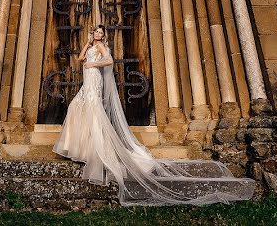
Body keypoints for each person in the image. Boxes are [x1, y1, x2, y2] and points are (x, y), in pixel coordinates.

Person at [52, 25, 256, 206]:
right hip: (87, 82)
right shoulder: (91, 46)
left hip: (94, 81)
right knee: (77, 109)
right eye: (95, 32)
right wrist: (87, 45)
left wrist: (93, 65)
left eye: (100, 33)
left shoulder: (102, 47)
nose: (97, 34)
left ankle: (97, 150)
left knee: (94, 113)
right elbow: (79, 59)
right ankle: (85, 148)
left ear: (103, 36)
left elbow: (109, 61)